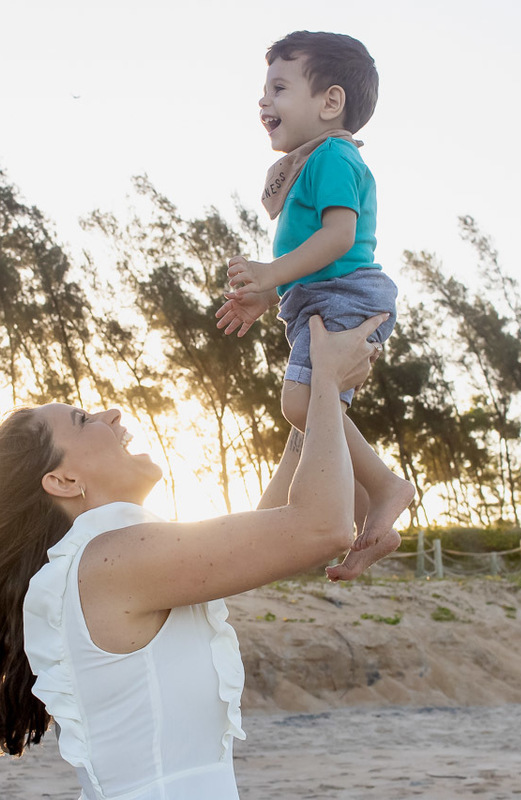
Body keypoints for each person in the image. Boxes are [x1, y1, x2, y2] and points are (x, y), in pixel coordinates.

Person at [0, 313, 387, 799]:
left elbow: (277, 527)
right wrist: (327, 380)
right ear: (63, 479)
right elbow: (320, 527)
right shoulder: (112, 559)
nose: (112, 416)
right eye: (84, 420)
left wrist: (315, 390)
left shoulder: (109, 560)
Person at [216, 30, 414, 580]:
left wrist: (271, 273)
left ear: (330, 102)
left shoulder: (332, 155)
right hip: (320, 296)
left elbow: (338, 239)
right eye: (264, 89)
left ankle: (385, 486)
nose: (264, 101)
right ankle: (366, 524)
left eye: (279, 88)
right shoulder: (314, 161)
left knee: (303, 404)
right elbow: (315, 256)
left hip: (345, 295)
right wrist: (268, 294)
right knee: (317, 429)